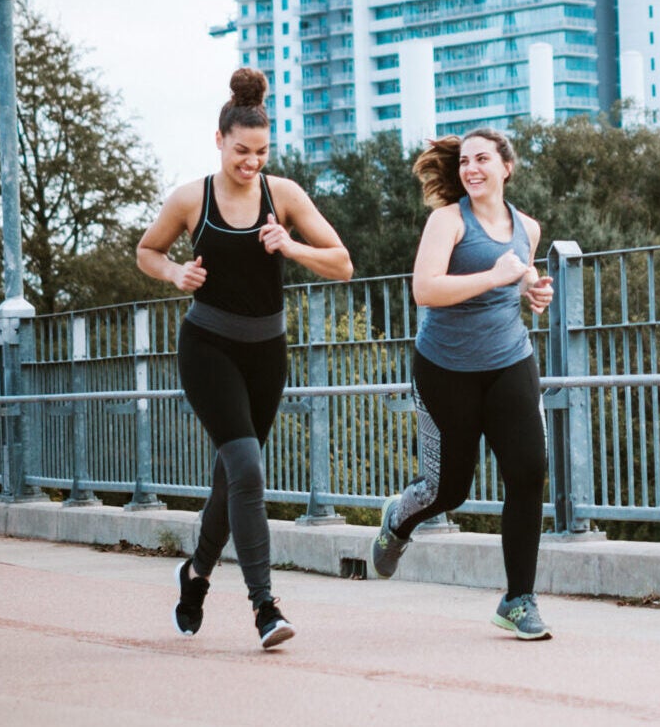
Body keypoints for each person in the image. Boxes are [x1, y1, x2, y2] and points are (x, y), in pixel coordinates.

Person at [134, 68, 353, 649]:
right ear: (219, 140)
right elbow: (147, 251)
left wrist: (292, 245)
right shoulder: (191, 198)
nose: (251, 162)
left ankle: (196, 573)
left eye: (261, 151)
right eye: (241, 151)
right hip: (208, 348)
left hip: (267, 354)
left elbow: (342, 262)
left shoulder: (284, 196)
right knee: (250, 470)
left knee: (232, 481)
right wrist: (175, 271)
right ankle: (265, 608)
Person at [367, 127, 555, 640]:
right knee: (448, 489)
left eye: (482, 160)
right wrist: (496, 278)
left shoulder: (527, 227)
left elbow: (518, 271)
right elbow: (425, 289)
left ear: (506, 167)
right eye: (465, 161)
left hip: (509, 361)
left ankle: (518, 599)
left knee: (528, 470)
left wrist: (533, 291)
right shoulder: (447, 221)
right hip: (445, 368)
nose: (471, 168)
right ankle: (398, 520)